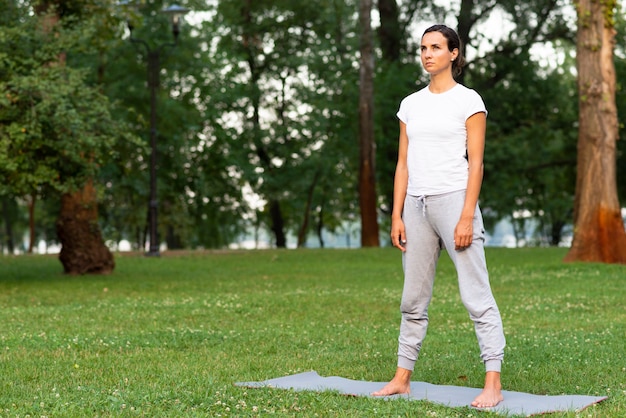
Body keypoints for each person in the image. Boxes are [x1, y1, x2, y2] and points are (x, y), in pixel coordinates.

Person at [372, 24, 506, 408]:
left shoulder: (469, 101)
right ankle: (402, 377)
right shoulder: (410, 104)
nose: (427, 54)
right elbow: (402, 165)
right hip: (415, 207)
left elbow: (477, 164)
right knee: (412, 299)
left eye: (435, 47)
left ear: (453, 54)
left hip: (454, 201)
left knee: (476, 296)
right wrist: (397, 215)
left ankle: (493, 382)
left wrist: (466, 217)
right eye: (422, 48)